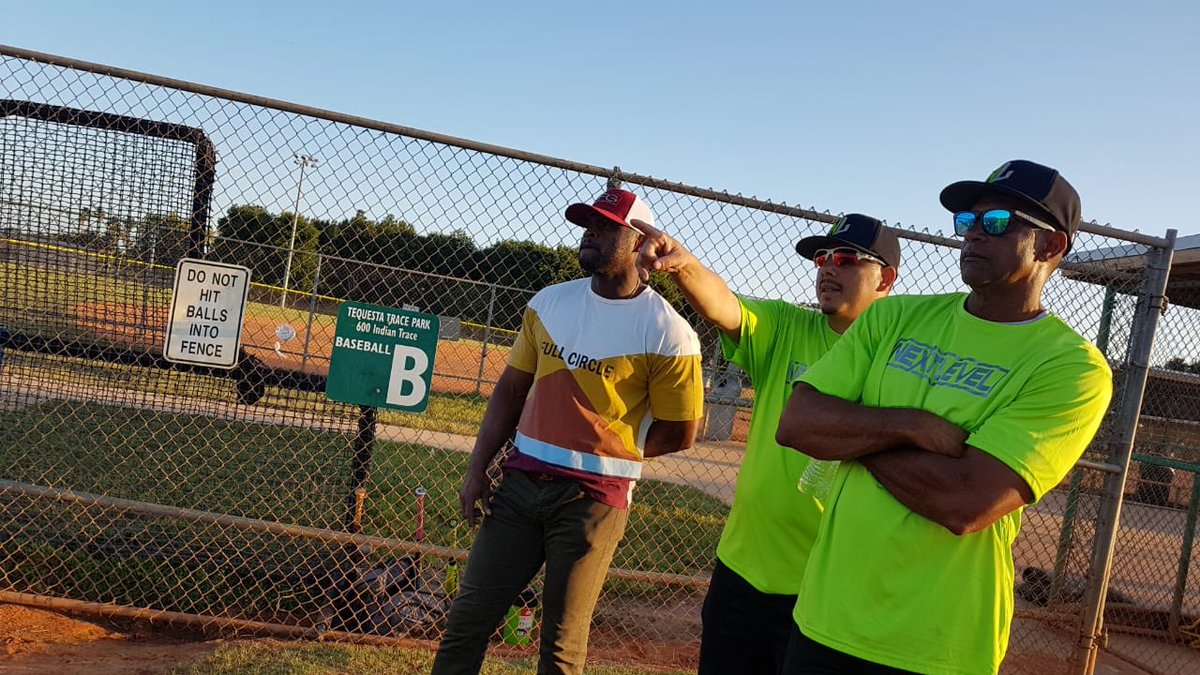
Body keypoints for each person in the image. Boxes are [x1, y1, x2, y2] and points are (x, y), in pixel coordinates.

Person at [775, 160, 1114, 675]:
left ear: (1051, 247)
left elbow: (965, 501)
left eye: (997, 221)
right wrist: (912, 426)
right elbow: (798, 423)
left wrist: (854, 432)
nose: (974, 234)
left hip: (939, 645)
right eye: (968, 222)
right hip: (824, 620)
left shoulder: (1071, 367)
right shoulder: (895, 317)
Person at [431, 187, 704, 675]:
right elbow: (510, 393)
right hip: (517, 487)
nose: (589, 233)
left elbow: (681, 432)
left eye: (604, 227)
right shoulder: (548, 304)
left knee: (560, 646)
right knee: (466, 624)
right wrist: (477, 469)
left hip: (592, 502)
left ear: (640, 240)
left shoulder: (670, 332)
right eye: (586, 224)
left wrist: (611, 457)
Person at [632, 212, 901, 674]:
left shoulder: (901, 358)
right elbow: (725, 306)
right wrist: (682, 266)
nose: (827, 268)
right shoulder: (786, 327)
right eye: (821, 259)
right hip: (743, 571)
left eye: (845, 258)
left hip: (828, 588)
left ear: (886, 279)